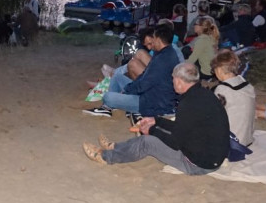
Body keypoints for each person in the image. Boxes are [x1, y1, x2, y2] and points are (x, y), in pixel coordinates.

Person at [83, 62, 230, 175]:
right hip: (211, 155)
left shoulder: (188, 104)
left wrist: (151, 130)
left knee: (147, 143)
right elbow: (183, 128)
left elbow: (176, 142)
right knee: (152, 135)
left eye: (173, 80)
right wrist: (157, 121)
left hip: (199, 164)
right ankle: (116, 147)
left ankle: (106, 157)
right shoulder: (202, 95)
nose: (172, 83)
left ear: (179, 81)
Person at [85, 25, 179, 119]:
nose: (152, 42)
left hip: (151, 104)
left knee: (107, 96)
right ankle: (107, 108)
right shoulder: (165, 53)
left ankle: (113, 105)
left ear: (158, 39)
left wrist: (126, 91)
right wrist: (128, 88)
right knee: (117, 77)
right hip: (150, 95)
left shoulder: (162, 60)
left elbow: (144, 84)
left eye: (153, 38)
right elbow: (144, 77)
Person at [212, 49, 255, 147]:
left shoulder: (222, 89)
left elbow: (214, 116)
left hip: (232, 142)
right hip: (247, 138)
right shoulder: (246, 84)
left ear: (219, 70)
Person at [186, 15, 220, 79]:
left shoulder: (202, 40)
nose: (193, 26)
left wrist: (178, 65)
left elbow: (191, 60)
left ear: (201, 27)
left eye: (195, 24)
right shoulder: (211, 36)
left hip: (206, 72)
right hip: (212, 69)